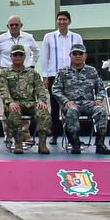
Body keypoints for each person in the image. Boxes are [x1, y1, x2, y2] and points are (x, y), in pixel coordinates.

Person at [53, 44, 110, 155]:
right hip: (71, 104)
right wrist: (65, 101)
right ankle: (75, 143)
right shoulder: (63, 72)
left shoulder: (92, 71)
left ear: (85, 56)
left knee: (101, 110)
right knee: (72, 111)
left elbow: (101, 88)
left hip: (89, 103)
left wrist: (99, 99)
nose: (77, 56)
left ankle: (100, 144)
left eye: (80, 53)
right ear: (70, 56)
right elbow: (56, 89)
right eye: (75, 54)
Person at [0, 44, 51, 154]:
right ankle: (18, 143)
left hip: (30, 103)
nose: (18, 57)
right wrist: (10, 102)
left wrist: (42, 100)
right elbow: (3, 90)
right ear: (11, 56)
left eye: (20, 54)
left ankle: (42, 144)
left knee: (43, 112)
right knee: (14, 112)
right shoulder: (4, 73)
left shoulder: (33, 73)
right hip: (14, 104)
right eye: (15, 55)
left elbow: (40, 88)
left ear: (24, 56)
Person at [41, 11, 83, 145]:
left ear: (69, 21)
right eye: (59, 19)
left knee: (72, 106)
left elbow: (81, 56)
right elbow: (45, 57)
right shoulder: (49, 37)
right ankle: (54, 135)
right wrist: (45, 76)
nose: (62, 22)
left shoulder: (76, 37)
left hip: (72, 76)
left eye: (64, 19)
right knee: (55, 108)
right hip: (54, 76)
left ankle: (73, 137)